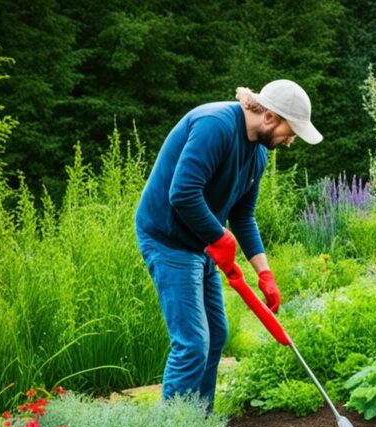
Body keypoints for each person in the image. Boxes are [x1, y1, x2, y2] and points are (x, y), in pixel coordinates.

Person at [135, 79, 322, 410]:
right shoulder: (215, 126)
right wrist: (220, 238)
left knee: (216, 336)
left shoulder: (257, 156)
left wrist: (265, 274)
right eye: (290, 131)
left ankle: (200, 426)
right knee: (192, 343)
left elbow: (243, 218)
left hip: (201, 242)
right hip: (168, 238)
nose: (290, 140)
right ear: (270, 117)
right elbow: (182, 193)